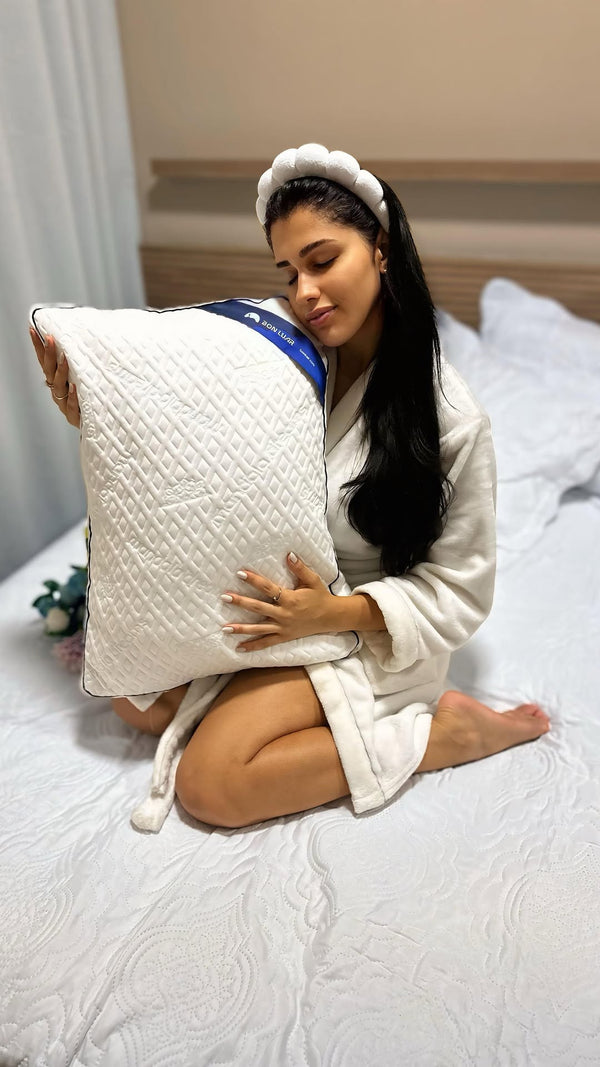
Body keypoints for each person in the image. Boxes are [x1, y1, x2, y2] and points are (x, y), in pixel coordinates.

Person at [30, 142, 551, 831]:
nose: (304, 292)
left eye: (322, 260)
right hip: (286, 608)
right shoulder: (281, 363)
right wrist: (98, 416)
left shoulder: (452, 422)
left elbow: (459, 591)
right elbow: (196, 444)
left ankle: (444, 735)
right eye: (288, 270)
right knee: (136, 700)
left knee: (211, 786)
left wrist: (333, 615)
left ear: (382, 250)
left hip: (366, 631)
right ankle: (273, 704)